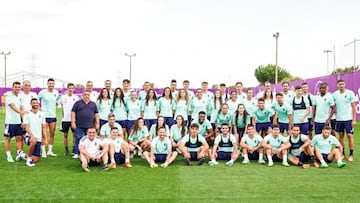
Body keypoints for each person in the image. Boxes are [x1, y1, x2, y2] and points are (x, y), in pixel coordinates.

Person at [333, 79, 357, 162]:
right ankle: (342, 153)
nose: (341, 86)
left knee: (350, 136)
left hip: (348, 119)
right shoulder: (335, 94)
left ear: (345, 84)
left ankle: (351, 154)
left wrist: (354, 120)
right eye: (340, 84)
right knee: (341, 136)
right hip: (339, 119)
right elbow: (332, 105)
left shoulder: (350, 93)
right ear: (337, 85)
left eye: (342, 84)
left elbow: (354, 107)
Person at [71, 90, 99, 159]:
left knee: (89, 139)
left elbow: (96, 114)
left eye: (88, 95)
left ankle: (87, 153)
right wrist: (73, 122)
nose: (86, 96)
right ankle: (77, 153)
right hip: (79, 125)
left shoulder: (93, 104)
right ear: (82, 95)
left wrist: (97, 123)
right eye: (85, 95)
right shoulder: (77, 103)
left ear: (89, 96)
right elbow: (73, 113)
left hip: (90, 126)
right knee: (79, 138)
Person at [38, 78, 60, 157]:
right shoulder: (42, 92)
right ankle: (43, 151)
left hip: (53, 115)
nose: (51, 85)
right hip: (44, 116)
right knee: (43, 134)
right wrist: (39, 109)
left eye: (52, 84)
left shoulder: (56, 92)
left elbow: (58, 100)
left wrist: (57, 104)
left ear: (54, 84)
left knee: (52, 134)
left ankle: (50, 151)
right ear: (47, 84)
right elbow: (36, 100)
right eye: (49, 83)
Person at [4, 81, 25, 162]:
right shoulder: (8, 96)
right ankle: (9, 156)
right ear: (12, 87)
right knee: (8, 139)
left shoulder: (20, 96)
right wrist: (21, 112)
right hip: (10, 122)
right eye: (15, 87)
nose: (17, 89)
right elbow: (13, 106)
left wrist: (23, 120)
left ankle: (19, 154)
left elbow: (21, 107)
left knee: (19, 138)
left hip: (18, 122)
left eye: (19, 87)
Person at [23, 98, 46, 167]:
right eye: (34, 103)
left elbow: (43, 127)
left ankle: (23, 155)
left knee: (36, 159)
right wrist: (32, 135)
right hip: (29, 137)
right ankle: (29, 159)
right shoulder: (27, 114)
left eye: (36, 103)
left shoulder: (42, 114)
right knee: (33, 141)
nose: (35, 104)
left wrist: (45, 138)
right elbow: (26, 127)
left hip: (38, 138)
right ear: (31, 104)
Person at [58, 83, 80, 156]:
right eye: (69, 88)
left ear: (74, 89)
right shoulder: (63, 97)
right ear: (67, 89)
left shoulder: (76, 98)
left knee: (74, 135)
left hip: (73, 119)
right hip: (65, 119)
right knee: (65, 135)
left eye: (72, 88)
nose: (71, 89)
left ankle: (74, 149)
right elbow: (58, 104)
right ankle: (66, 149)